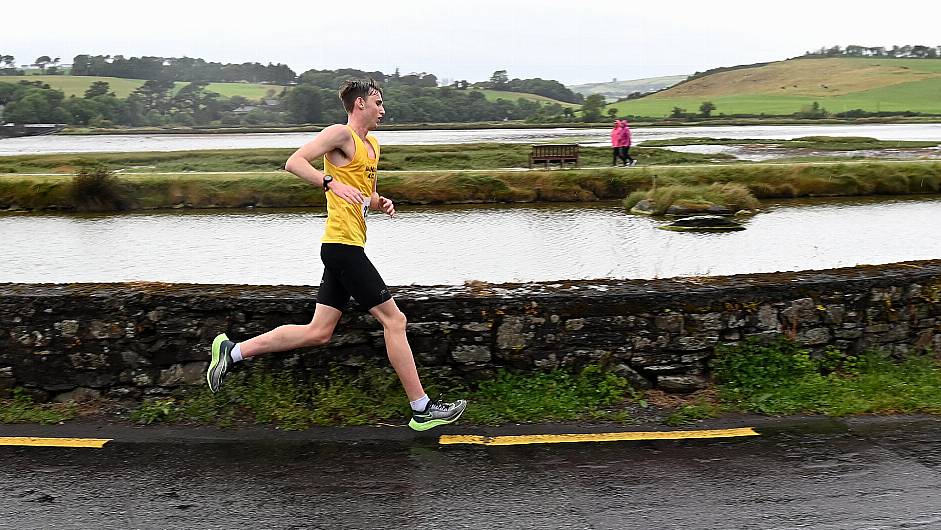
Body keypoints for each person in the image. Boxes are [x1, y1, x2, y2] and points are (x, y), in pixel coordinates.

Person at [205, 79, 467, 432]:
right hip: (341, 247)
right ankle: (422, 409)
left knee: (318, 332)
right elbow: (294, 162)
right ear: (359, 104)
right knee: (395, 321)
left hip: (350, 245)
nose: (383, 109)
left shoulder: (372, 146)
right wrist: (327, 182)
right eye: (378, 102)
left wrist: (380, 201)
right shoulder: (339, 135)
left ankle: (232, 351)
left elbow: (363, 193)